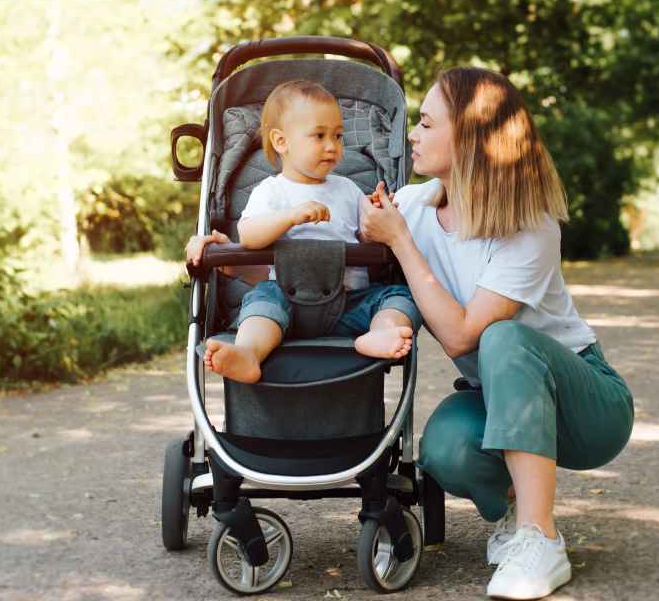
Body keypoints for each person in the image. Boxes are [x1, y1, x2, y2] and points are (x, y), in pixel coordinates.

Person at [358, 67, 634, 600]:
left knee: (501, 337)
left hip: (588, 407)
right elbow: (331, 247)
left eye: (425, 123)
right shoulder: (413, 208)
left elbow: (463, 336)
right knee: (444, 448)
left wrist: (401, 244)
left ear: (470, 137)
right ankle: (518, 510)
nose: (412, 135)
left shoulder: (529, 223)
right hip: (498, 397)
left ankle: (541, 538)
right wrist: (231, 243)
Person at [195, 79, 421, 384]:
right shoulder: (272, 191)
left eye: (338, 136)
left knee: (400, 297)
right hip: (286, 297)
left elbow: (366, 236)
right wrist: (289, 218)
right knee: (261, 302)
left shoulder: (349, 189)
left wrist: (377, 217)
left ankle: (380, 332)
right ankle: (249, 352)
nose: (333, 146)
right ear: (281, 142)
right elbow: (248, 235)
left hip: (349, 301)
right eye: (319, 136)